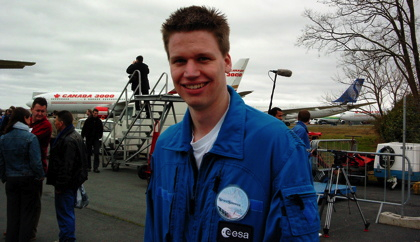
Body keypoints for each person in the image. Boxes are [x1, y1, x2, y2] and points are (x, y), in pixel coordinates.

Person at [145, 6, 320, 241]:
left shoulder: (279, 146)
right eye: (179, 61)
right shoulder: (166, 146)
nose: (190, 72)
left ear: (226, 62)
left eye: (203, 58)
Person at [0, 107, 45, 242]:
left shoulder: (4, 138)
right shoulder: (31, 137)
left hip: (11, 179)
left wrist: (4, 176)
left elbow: (1, 161)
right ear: (24, 119)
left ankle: (11, 238)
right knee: (27, 214)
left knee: (13, 213)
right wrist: (40, 175)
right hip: (28, 178)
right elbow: (36, 161)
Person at [47, 110, 88, 242]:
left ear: (61, 123)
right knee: (66, 212)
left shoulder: (68, 139)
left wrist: (60, 184)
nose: (55, 123)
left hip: (66, 184)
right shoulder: (73, 136)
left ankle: (67, 239)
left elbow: (66, 166)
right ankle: (65, 237)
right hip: (72, 182)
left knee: (65, 213)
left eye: (56, 120)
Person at [29, 97, 52, 239]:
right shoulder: (29, 123)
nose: (40, 114)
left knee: (34, 202)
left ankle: (30, 231)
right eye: (37, 110)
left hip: (37, 168)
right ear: (32, 110)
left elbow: (28, 140)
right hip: (24, 168)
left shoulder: (45, 125)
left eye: (43, 111)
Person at [81, 108, 103, 173]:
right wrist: (83, 136)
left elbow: (101, 129)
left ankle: (95, 167)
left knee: (96, 153)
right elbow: (84, 129)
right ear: (93, 113)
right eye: (95, 113)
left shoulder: (99, 121)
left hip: (96, 139)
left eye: (97, 113)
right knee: (88, 153)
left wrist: (99, 136)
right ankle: (88, 167)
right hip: (89, 138)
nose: (96, 114)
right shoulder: (88, 121)